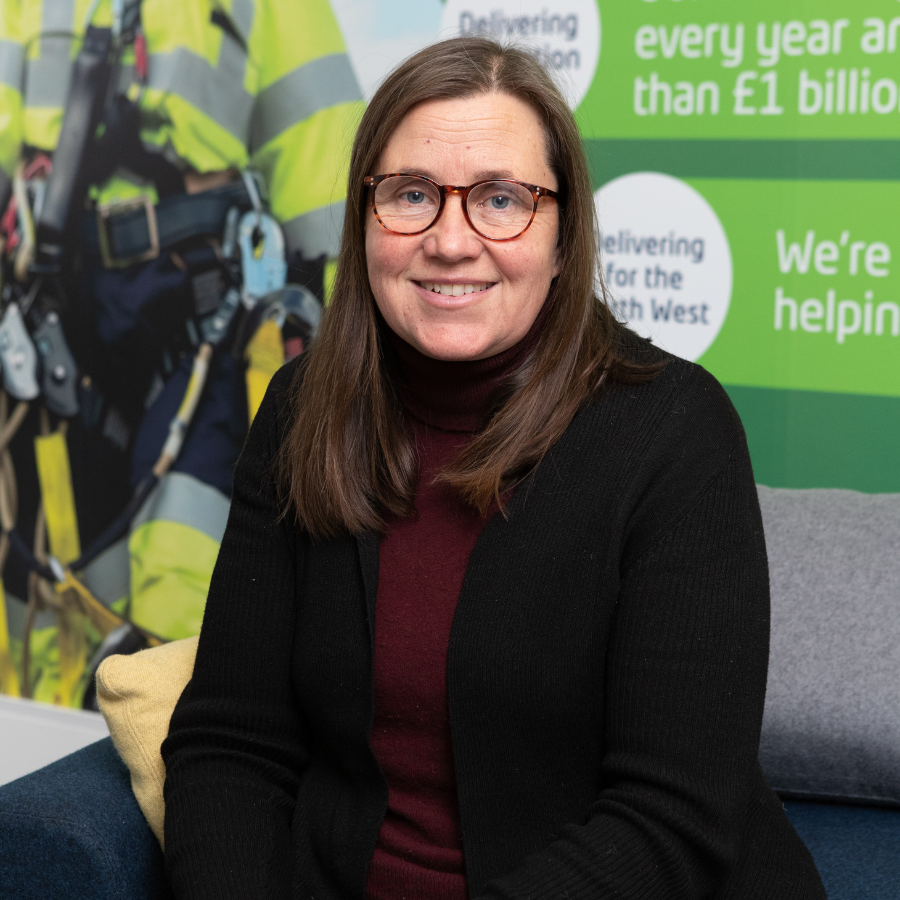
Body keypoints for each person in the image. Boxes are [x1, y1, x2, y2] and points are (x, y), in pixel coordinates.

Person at [161, 36, 827, 900]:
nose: (449, 239)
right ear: (365, 219)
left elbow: (670, 820)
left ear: (562, 234)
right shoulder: (301, 409)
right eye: (411, 195)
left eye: (501, 200)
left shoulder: (676, 433)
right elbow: (229, 744)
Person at [0, 0, 363, 704]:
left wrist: (338, 348)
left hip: (200, 327)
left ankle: (172, 753)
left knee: (181, 563)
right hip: (50, 321)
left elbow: (328, 161)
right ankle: (43, 765)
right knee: (43, 569)